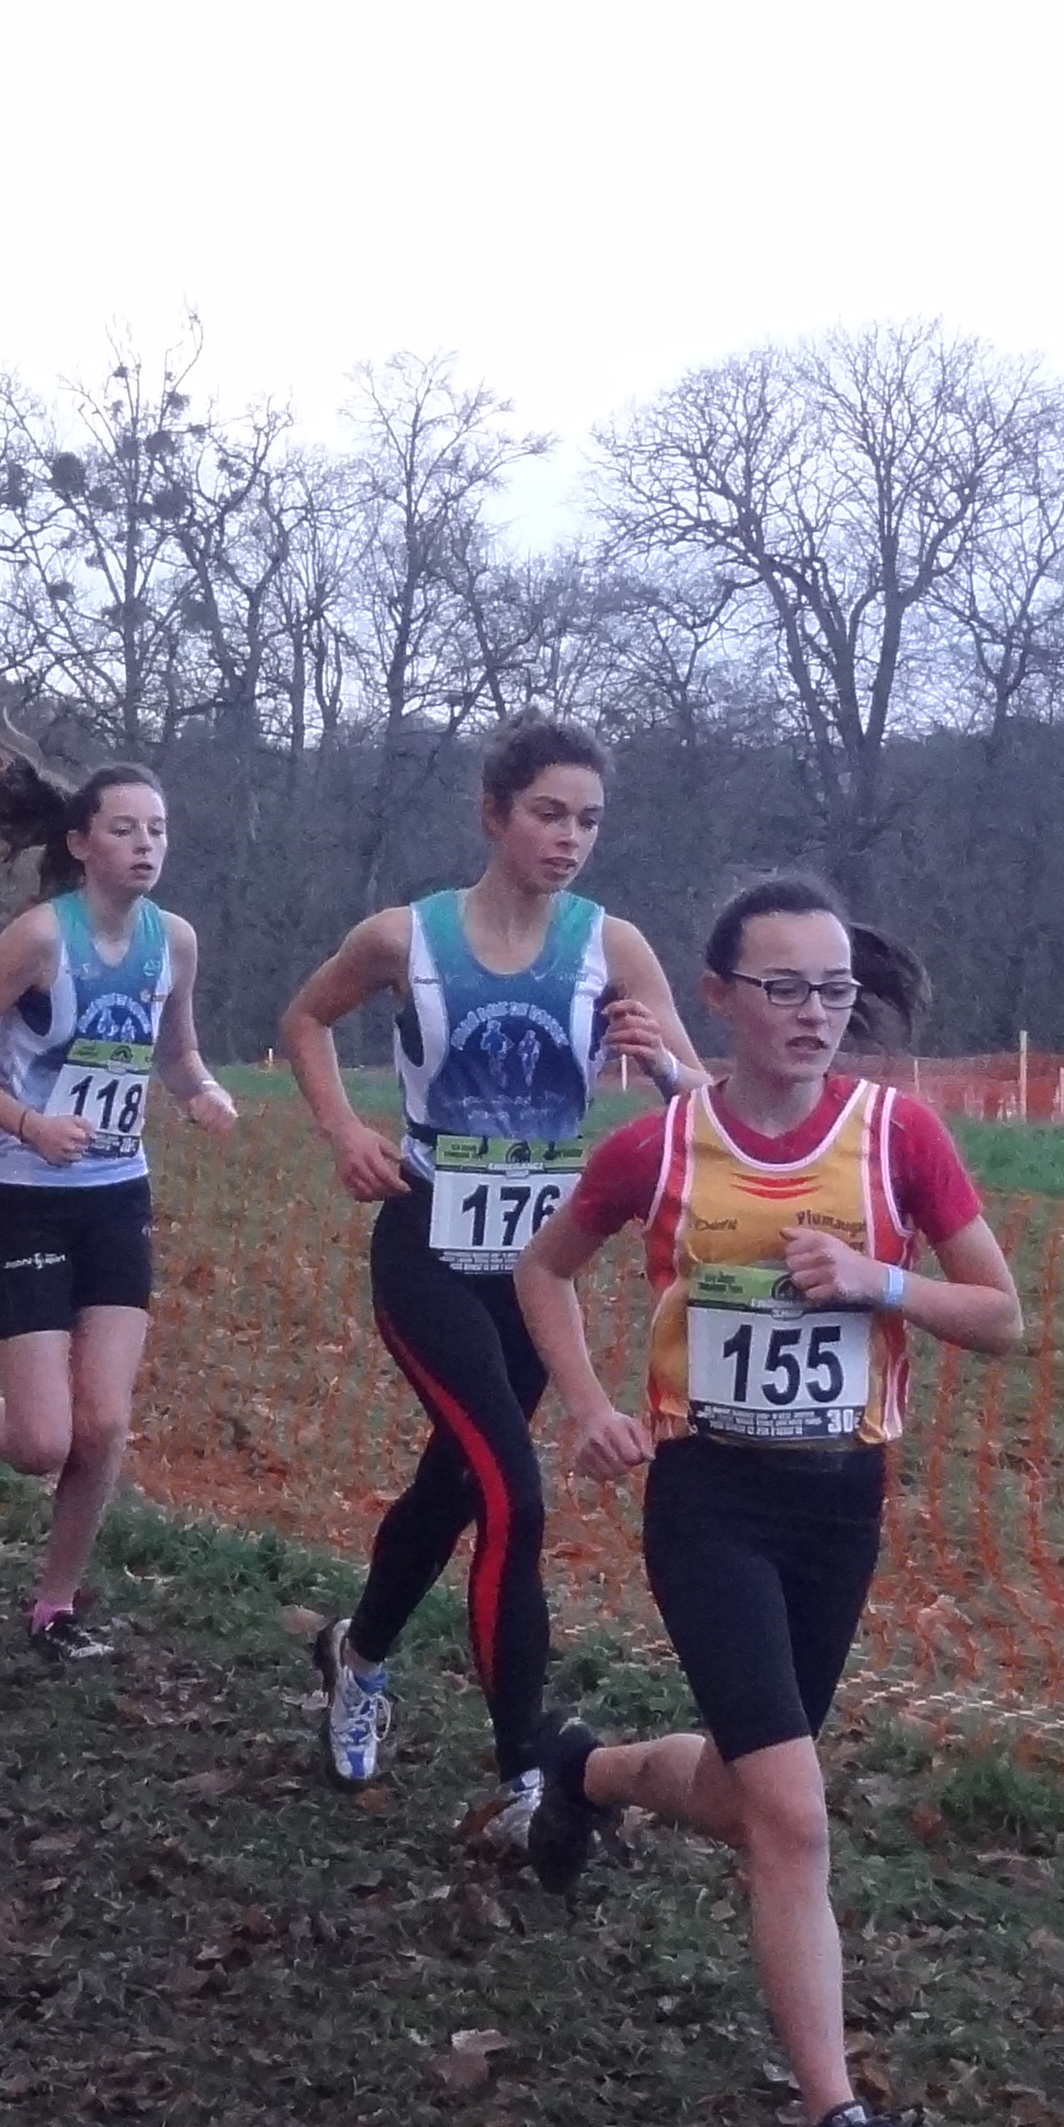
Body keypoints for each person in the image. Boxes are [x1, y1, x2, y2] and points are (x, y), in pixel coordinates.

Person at [510, 874, 1026, 2127]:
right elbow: (543, 1270)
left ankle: (588, 1769)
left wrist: (879, 1282)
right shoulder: (661, 1150)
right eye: (784, 987)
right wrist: (591, 1408)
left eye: (834, 989)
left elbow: (1002, 1316)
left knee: (754, 1793)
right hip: (711, 1501)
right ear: (721, 997)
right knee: (794, 1814)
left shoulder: (899, 1137)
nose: (814, 1013)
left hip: (839, 1502)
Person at [273, 715, 692, 1853]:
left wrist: (660, 1061)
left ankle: (357, 1655)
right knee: (514, 1495)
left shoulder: (614, 946)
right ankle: (527, 1778)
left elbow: (702, 1108)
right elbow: (305, 1018)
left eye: (589, 820)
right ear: (494, 814)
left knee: (456, 1484)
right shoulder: (404, 936)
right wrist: (345, 1131)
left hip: (539, 1273)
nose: (570, 838)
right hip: (427, 1250)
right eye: (549, 813)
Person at [0, 745, 242, 1659]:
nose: (146, 846)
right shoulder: (39, 939)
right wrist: (26, 1122)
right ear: (81, 843)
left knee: (102, 1424)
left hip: (115, 1197)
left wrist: (203, 1091)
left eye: (158, 831)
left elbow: (177, 1052)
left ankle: (55, 1606)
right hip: (27, 1198)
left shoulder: (174, 942)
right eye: (125, 829)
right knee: (40, 1442)